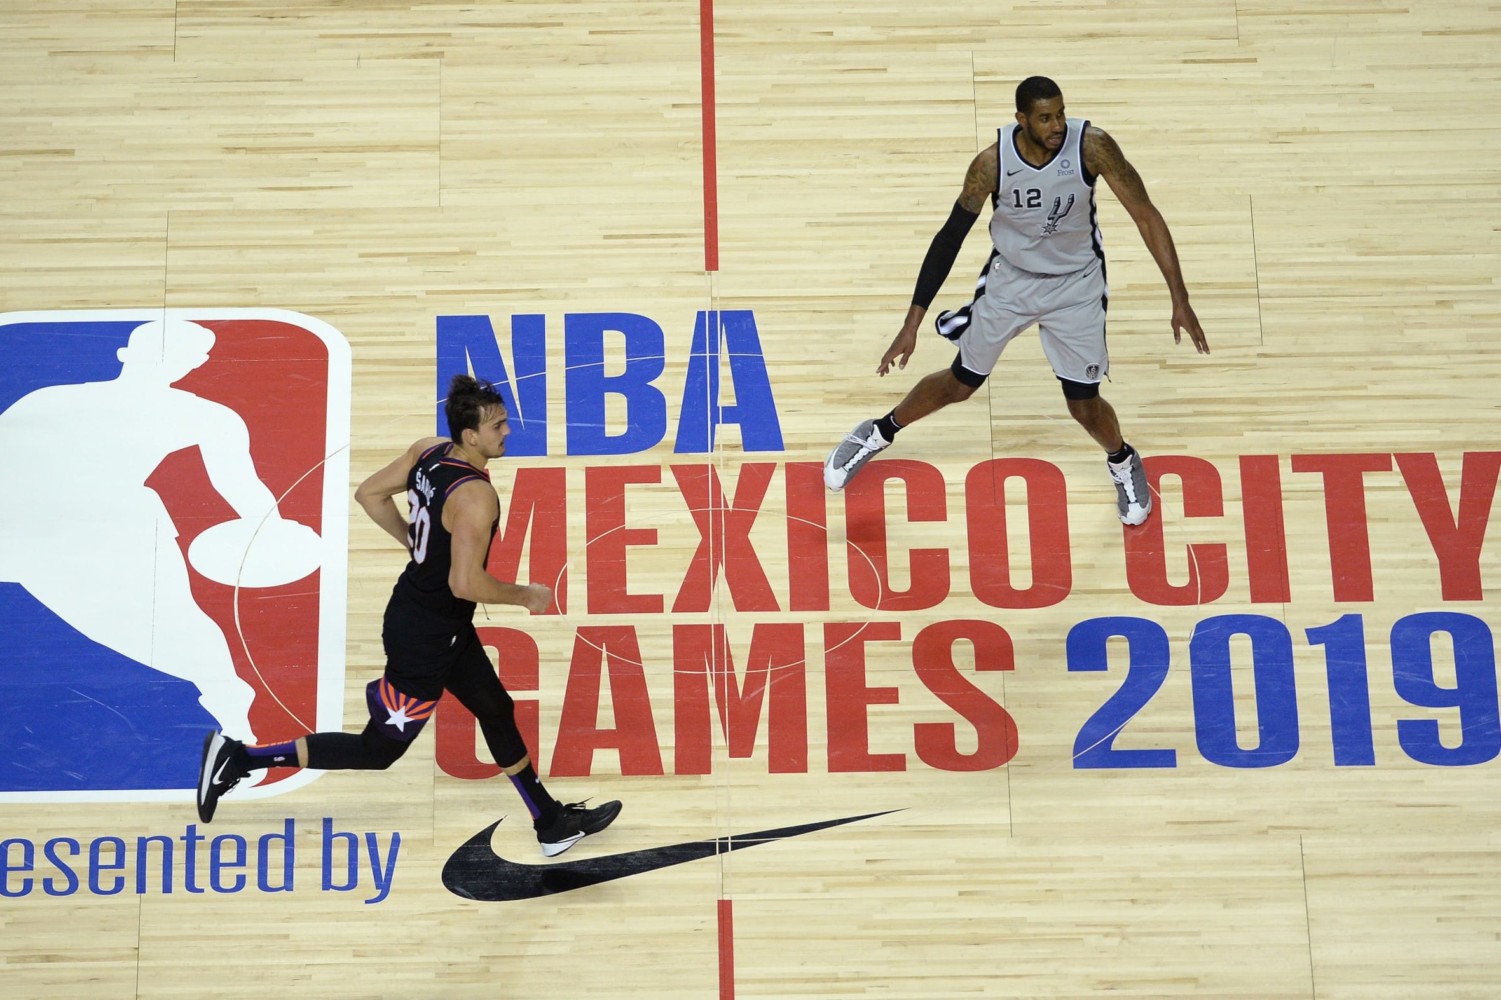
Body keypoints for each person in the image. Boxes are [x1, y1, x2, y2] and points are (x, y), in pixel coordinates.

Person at [196, 375, 621, 858]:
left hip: (433, 619)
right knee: (379, 751)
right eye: (497, 425)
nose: (507, 432)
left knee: (495, 707)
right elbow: (466, 584)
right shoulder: (476, 498)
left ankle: (549, 823)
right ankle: (240, 757)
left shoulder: (429, 450)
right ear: (470, 436)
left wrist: (414, 545)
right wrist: (526, 595)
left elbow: (370, 494)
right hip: (428, 637)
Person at [824, 75, 1209, 525]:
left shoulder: (1093, 147)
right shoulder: (991, 164)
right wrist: (912, 322)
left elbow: (1145, 213)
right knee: (960, 384)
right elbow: (949, 237)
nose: (1058, 125)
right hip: (1012, 280)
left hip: (1076, 285)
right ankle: (877, 433)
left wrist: (1178, 297)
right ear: (1021, 120)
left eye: (1061, 114)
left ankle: (1122, 461)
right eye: (1046, 118)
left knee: (1083, 404)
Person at [0, 317, 299, 744]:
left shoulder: (206, 416)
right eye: (163, 353)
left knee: (181, 624)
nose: (170, 363)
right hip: (37, 524)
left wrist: (273, 532)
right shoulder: (46, 402)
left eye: (180, 356)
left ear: (194, 364)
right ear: (127, 354)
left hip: (119, 529)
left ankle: (234, 718)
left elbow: (240, 485)